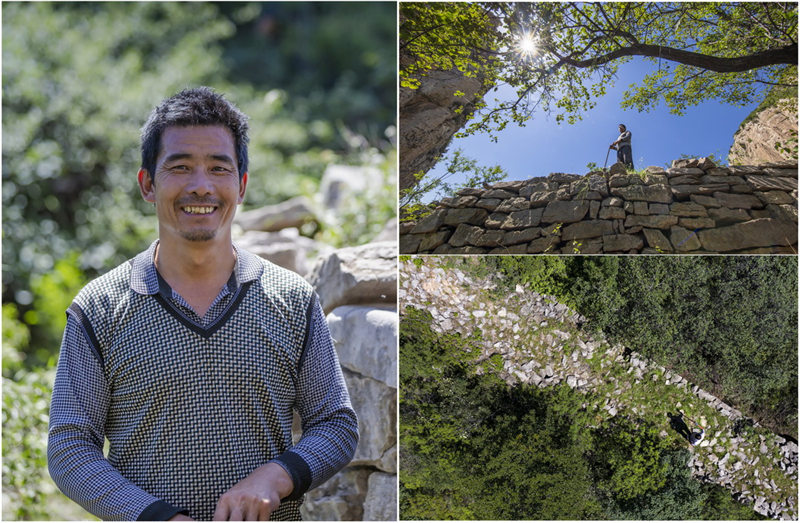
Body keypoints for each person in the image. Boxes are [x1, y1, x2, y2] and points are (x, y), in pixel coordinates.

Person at [47, 87, 359, 521]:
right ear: (148, 185)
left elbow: (337, 425)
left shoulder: (292, 299)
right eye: (180, 167)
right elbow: (69, 449)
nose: (201, 186)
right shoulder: (99, 308)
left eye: (218, 168)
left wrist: (276, 476)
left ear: (242, 185)